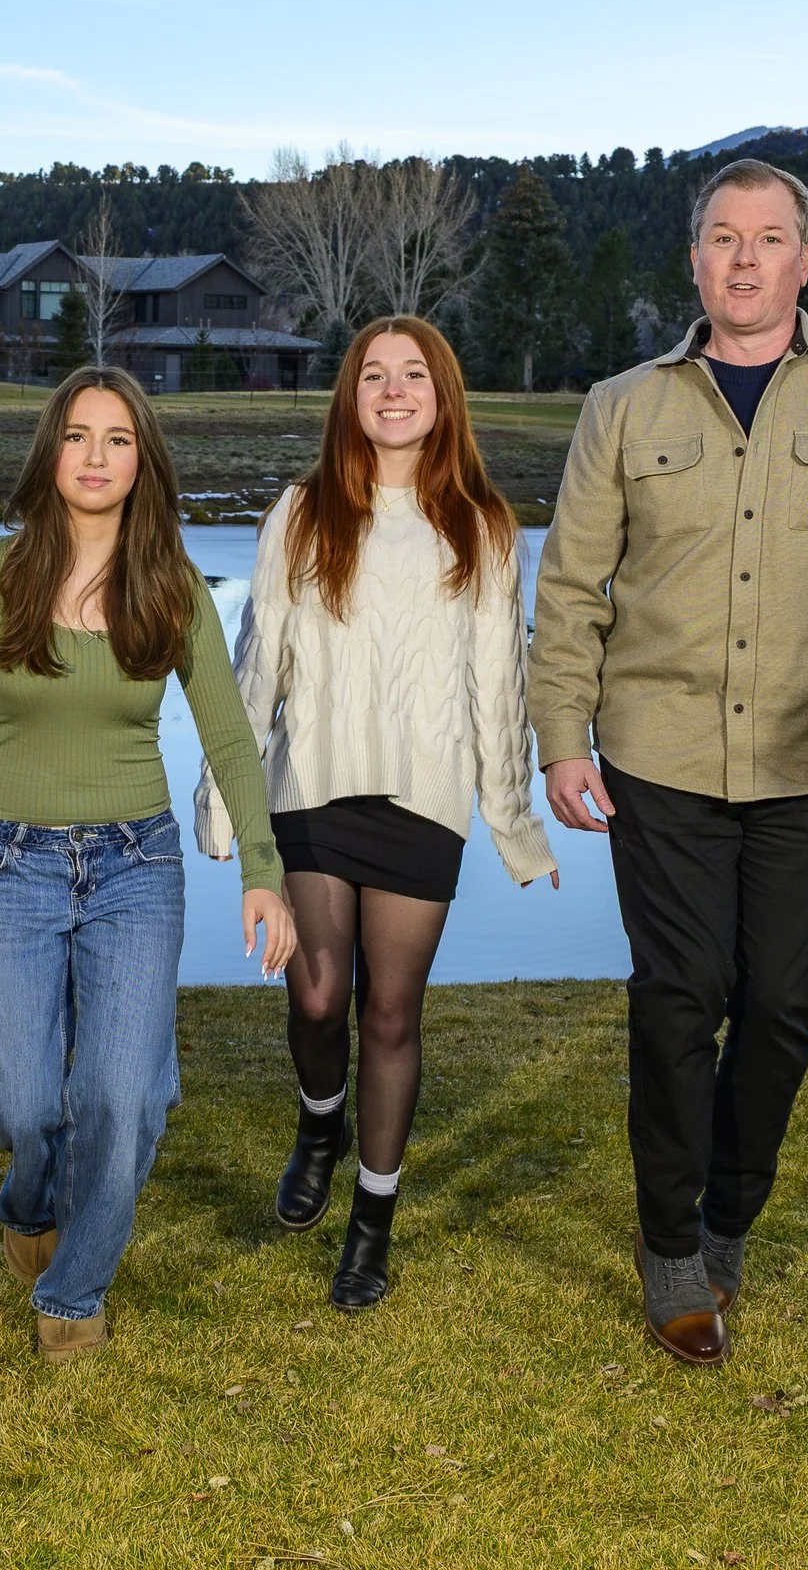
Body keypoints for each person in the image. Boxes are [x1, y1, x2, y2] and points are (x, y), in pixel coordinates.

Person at [527, 157, 808, 1366]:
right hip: (656, 758)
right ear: (693, 261)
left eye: (768, 238)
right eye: (722, 237)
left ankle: (730, 1214)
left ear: (802, 263)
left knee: (776, 1011)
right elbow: (568, 592)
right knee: (678, 1003)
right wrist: (559, 737)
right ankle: (671, 1243)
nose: (743, 258)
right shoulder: (621, 408)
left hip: (803, 763)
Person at [0, 365, 295, 1363]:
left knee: (125, 1096)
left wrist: (262, 870)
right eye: (76, 436)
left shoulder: (172, 587)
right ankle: (31, 1199)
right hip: (6, 862)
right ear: (49, 453)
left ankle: (74, 1292)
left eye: (117, 438)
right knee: (17, 1100)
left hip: (135, 865)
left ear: (143, 458)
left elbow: (231, 741)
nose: (96, 456)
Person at [197, 316, 557, 1311]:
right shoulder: (301, 513)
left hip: (420, 801)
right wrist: (226, 805)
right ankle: (321, 1122)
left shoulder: (481, 524)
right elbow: (254, 662)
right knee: (316, 998)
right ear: (349, 399)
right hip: (309, 786)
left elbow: (499, 685)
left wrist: (512, 822)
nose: (392, 391)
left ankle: (371, 1221)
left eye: (412, 376)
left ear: (442, 397)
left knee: (390, 1014)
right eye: (372, 377)